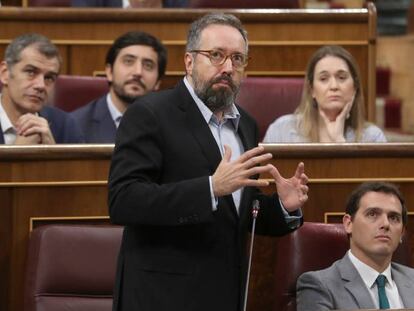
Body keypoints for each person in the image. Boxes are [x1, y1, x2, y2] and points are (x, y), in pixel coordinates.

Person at [108, 13, 309, 311]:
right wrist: (210, 189)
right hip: (161, 297)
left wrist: (283, 206)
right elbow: (124, 200)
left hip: (225, 294)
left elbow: (240, 211)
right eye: (216, 55)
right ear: (189, 62)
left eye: (237, 59)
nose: (227, 67)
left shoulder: (246, 125)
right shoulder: (150, 114)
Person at [297, 182, 414, 310]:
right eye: (372, 214)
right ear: (348, 224)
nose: (385, 224)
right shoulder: (319, 286)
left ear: (402, 232)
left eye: (393, 217)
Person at [263, 45, 386, 143]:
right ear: (312, 90)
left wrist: (339, 143)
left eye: (342, 77)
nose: (334, 86)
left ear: (355, 87)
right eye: (323, 79)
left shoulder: (373, 138)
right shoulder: (281, 131)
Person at [71, 31, 167, 143]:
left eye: (148, 65)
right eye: (128, 61)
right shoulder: (75, 125)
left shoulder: (172, 127)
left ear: (158, 83)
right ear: (109, 72)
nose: (138, 72)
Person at [0, 33, 84, 144]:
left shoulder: (65, 125)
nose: (41, 85)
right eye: (31, 72)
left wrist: (51, 153)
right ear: (5, 73)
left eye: (49, 78)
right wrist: (16, 154)